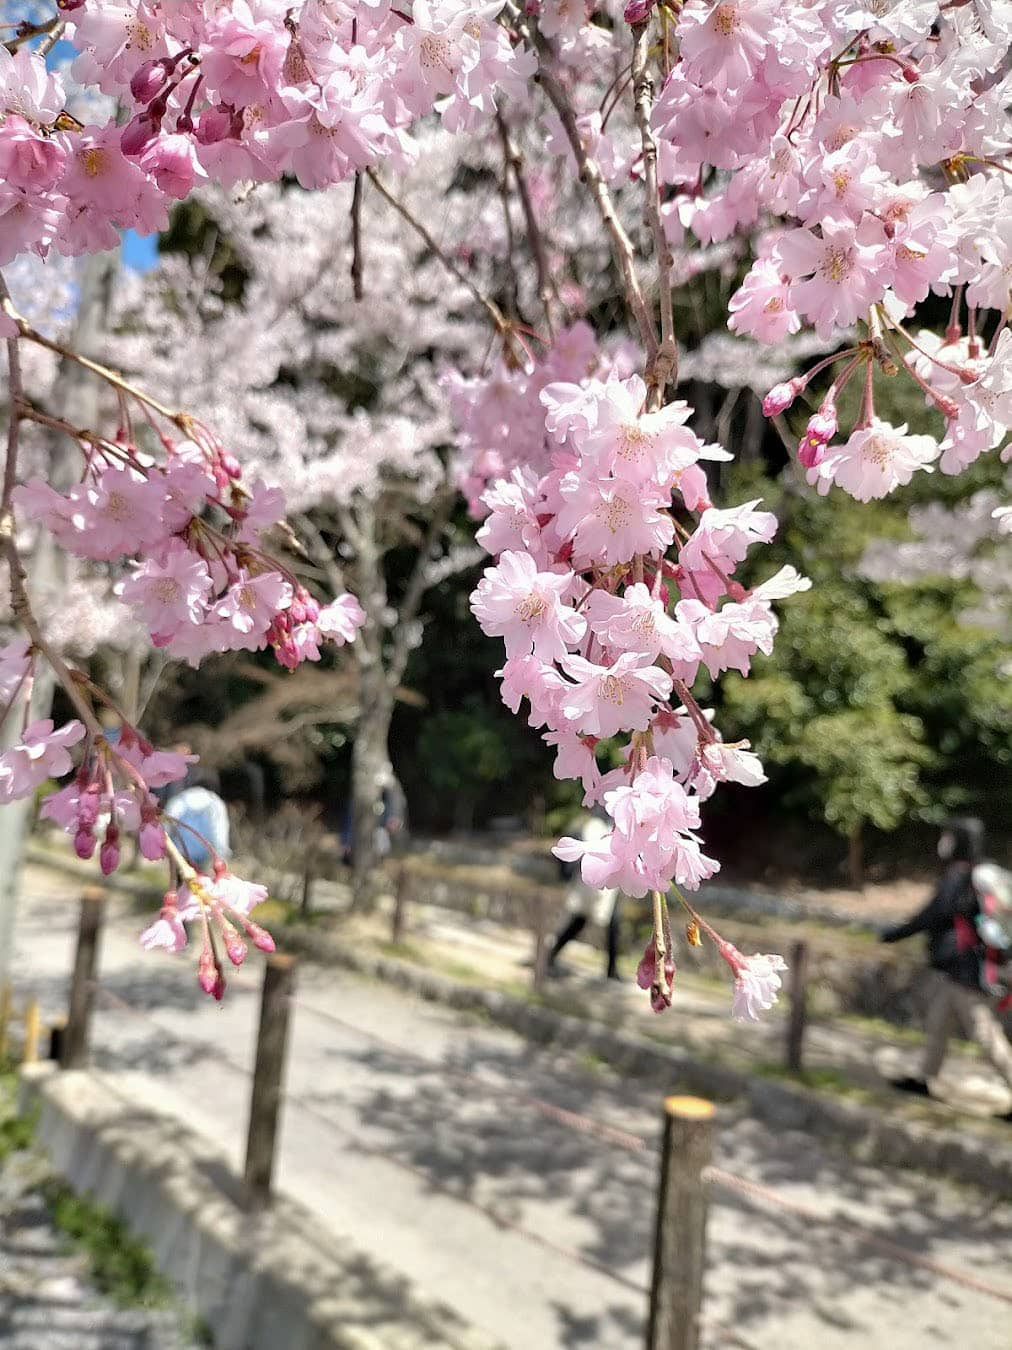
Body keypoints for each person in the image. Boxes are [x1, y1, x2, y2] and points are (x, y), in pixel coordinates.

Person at [881, 817, 1012, 1109]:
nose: (944, 841)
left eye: (949, 836)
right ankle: (924, 1078)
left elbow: (931, 915)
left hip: (967, 972)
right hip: (959, 971)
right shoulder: (976, 875)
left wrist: (894, 934)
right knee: (938, 1022)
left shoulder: (959, 877)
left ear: (959, 840)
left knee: (985, 1035)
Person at [547, 807, 622, 981]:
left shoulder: (599, 823)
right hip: (592, 886)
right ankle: (551, 954)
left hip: (603, 885)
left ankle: (611, 969)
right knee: (583, 921)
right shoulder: (596, 826)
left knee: (609, 923)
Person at [164, 767, 231, 876]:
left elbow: (170, 819)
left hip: (181, 849)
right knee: (199, 880)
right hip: (203, 851)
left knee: (181, 878)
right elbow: (219, 829)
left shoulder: (182, 798)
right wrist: (221, 852)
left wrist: (167, 843)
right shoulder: (215, 802)